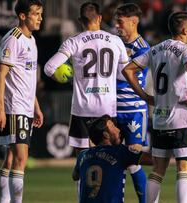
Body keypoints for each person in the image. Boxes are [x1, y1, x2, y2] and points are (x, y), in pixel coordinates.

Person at [44, 1, 128, 198]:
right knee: (109, 161)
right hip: (107, 110)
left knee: (83, 165)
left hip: (82, 109)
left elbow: (49, 68)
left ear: (80, 20)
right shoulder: (115, 41)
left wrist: (67, 76)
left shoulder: (74, 41)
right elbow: (124, 75)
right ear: (99, 18)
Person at [122, 11, 187, 203]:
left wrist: (144, 96)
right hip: (181, 117)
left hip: (159, 119)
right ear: (184, 29)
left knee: (158, 170)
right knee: (184, 169)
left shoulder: (156, 49)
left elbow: (128, 70)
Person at [0, 0, 44, 202]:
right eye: (36, 14)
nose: (40, 18)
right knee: (21, 160)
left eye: (41, 13)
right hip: (14, 107)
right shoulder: (13, 39)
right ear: (23, 16)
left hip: (26, 107)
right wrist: (0, 108)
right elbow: (0, 74)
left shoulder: (31, 39)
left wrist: (36, 107)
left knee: (12, 159)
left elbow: (27, 78)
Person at [113, 3, 150, 203]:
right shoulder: (114, 43)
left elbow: (127, 75)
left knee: (133, 159)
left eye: (120, 22)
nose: (117, 26)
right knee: (114, 160)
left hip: (134, 109)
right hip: (112, 108)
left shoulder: (143, 48)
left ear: (133, 22)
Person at [72, 114, 152, 203]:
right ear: (106, 135)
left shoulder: (83, 155)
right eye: (113, 127)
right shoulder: (120, 152)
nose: (118, 130)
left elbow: (75, 176)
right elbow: (153, 160)